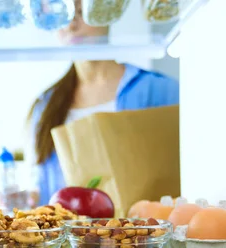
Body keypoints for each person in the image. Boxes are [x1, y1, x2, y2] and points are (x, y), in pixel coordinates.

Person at [27, 0, 180, 206]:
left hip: (141, 234)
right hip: (70, 236)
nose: (71, 25)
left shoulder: (159, 90)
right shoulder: (45, 106)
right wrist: (28, 199)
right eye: (62, 14)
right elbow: (43, 188)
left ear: (106, 14)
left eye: (81, 13)